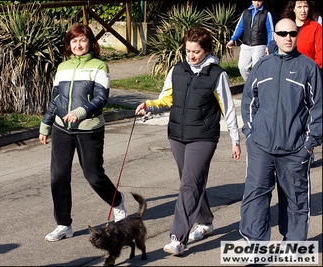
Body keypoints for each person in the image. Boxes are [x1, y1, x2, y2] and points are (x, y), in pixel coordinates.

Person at [136, 27, 241, 256]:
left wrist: (235, 138)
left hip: (203, 138)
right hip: (177, 135)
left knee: (188, 185)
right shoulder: (178, 70)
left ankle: (178, 238)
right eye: (188, 51)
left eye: (196, 51)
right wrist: (149, 106)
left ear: (206, 50)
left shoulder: (217, 74)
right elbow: (166, 98)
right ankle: (206, 221)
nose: (191, 56)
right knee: (191, 182)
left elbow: (228, 108)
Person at [38, 23, 127, 242]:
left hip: (89, 129)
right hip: (61, 128)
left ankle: (116, 200)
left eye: (83, 40)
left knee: (94, 176)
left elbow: (100, 98)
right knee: (58, 177)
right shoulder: (62, 67)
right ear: (69, 44)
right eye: (74, 41)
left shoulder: (100, 66)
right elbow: (56, 98)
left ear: (90, 42)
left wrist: (80, 112)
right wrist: (46, 124)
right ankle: (63, 224)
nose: (78, 45)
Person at [239, 18, 322, 242]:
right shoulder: (262, 66)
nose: (288, 37)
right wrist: (250, 134)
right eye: (282, 33)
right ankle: (255, 243)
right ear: (274, 36)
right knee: (256, 195)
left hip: (295, 149)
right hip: (261, 147)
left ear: (297, 36)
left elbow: (318, 108)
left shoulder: (308, 68)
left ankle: (294, 242)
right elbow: (248, 101)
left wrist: (309, 144)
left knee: (295, 198)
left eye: (292, 34)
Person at [226, 1, 274, 82]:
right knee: (242, 67)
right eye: (255, 1)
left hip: (259, 45)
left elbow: (270, 31)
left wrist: (269, 45)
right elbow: (240, 26)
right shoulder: (246, 12)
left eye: (259, 1)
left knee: (257, 67)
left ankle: (258, 86)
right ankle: (250, 84)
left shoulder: (266, 13)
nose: (257, 3)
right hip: (246, 44)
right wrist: (233, 39)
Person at [268, 0, 322, 70]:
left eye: (305, 7)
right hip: (287, 67)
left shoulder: (315, 27)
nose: (303, 10)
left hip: (307, 68)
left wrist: (314, 69)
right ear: (293, 9)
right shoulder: (286, 24)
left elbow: (320, 52)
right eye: (299, 7)